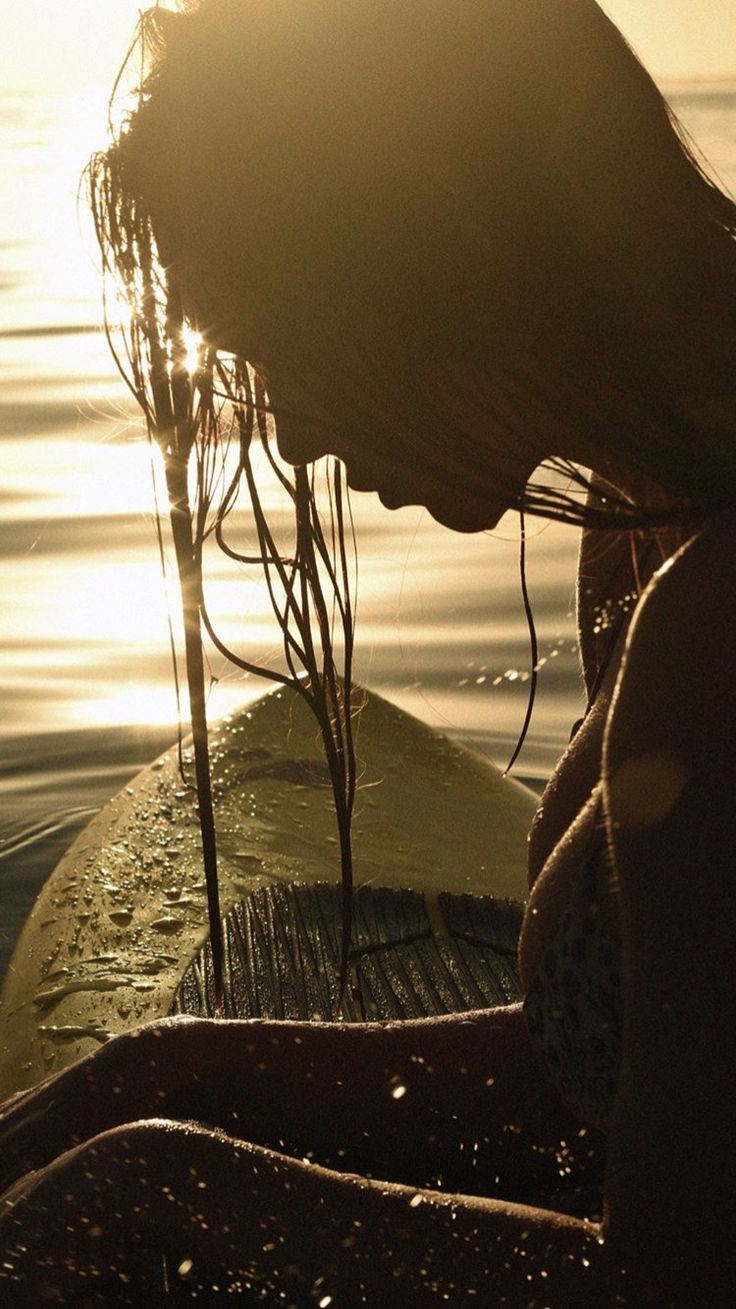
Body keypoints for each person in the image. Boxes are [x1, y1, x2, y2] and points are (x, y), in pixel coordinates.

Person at [2, 1, 735, 1303]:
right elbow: (636, 1075)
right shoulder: (646, 523)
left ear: (431, 260)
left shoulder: (711, 630)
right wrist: (181, 1071)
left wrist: (170, 1185)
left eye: (284, 351)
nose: (288, 438)